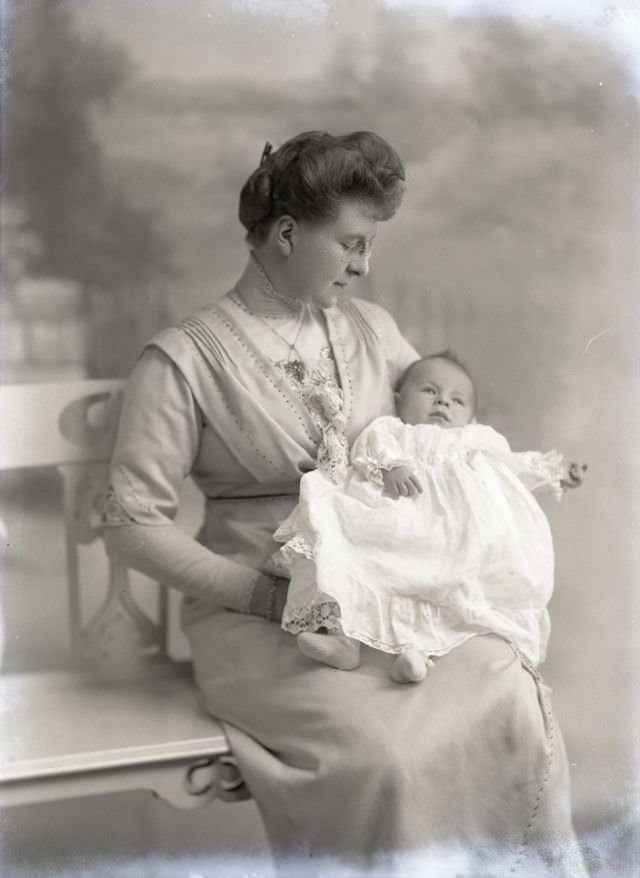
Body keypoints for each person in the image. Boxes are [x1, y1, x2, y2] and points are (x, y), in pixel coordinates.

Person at [103, 130, 587, 876]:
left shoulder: (374, 330)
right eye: (352, 243)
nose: (365, 266)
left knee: (506, 693)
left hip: (392, 596)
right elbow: (132, 523)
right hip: (260, 618)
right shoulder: (184, 360)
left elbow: (435, 435)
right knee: (386, 755)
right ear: (289, 233)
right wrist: (267, 598)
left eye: (371, 246)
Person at [274, 351, 586, 684]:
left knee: (443, 581)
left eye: (457, 400)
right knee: (350, 549)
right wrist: (392, 466)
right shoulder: (392, 429)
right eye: (430, 391)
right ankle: (342, 640)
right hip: (395, 517)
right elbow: (369, 447)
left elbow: (515, 464)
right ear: (400, 399)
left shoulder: (478, 439)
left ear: (471, 415)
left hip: (451, 531)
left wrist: (556, 472)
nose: (443, 403)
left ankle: (417, 657)